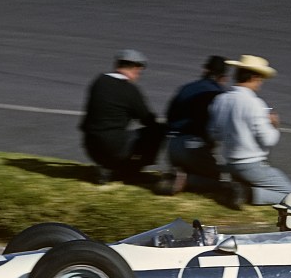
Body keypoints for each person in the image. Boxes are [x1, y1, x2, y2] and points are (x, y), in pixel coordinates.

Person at [208, 54, 291, 205]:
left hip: (229, 163)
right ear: (254, 78)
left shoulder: (220, 100)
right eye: (260, 79)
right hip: (251, 165)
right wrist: (274, 125)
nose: (260, 83)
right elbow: (269, 139)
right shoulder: (255, 103)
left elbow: (213, 133)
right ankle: (246, 193)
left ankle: (238, 188)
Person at [164, 56, 245, 205]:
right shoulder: (219, 96)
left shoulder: (186, 88)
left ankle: (179, 175)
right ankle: (186, 180)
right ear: (225, 77)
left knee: (204, 164)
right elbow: (220, 128)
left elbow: (168, 117)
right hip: (193, 147)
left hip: (172, 145)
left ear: (205, 70)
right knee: (221, 178)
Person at [80, 49, 166, 184]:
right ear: (136, 68)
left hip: (90, 145)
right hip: (113, 148)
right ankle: (131, 172)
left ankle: (106, 169)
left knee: (114, 134)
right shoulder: (129, 90)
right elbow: (148, 119)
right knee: (158, 130)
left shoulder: (99, 81)